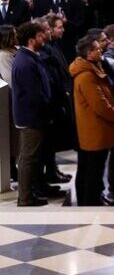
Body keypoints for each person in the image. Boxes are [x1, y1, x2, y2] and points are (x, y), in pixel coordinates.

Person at [71, 35, 114, 206]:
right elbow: (100, 104)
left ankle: (93, 198)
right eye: (96, 48)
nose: (101, 50)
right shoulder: (86, 75)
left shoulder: (92, 68)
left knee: (91, 167)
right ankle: (90, 202)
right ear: (88, 53)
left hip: (95, 129)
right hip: (94, 130)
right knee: (92, 169)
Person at [10, 21, 52, 206]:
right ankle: (25, 197)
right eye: (40, 36)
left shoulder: (30, 57)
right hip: (30, 117)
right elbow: (33, 94)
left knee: (32, 156)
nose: (44, 37)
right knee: (28, 157)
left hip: (34, 116)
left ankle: (31, 191)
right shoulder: (25, 62)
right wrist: (46, 107)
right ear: (31, 39)